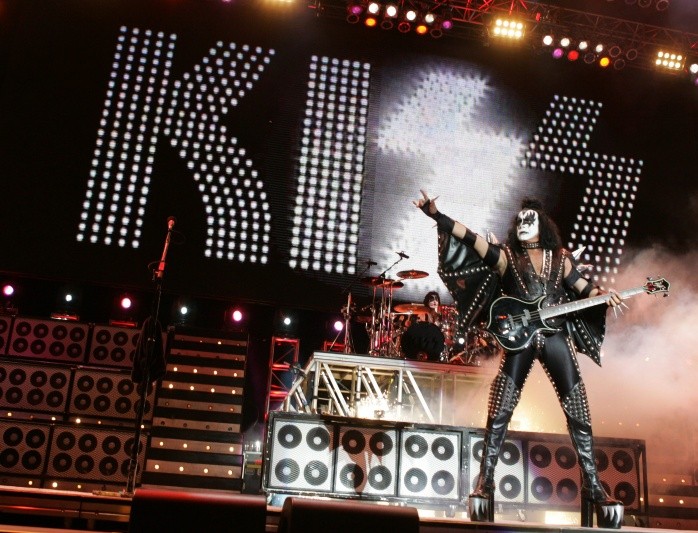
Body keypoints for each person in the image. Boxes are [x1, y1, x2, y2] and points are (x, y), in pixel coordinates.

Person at [415, 191, 625, 529]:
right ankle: (485, 481)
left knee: (578, 407)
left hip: (555, 336)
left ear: (543, 225)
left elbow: (583, 288)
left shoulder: (561, 258)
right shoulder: (506, 257)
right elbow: (471, 239)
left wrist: (604, 295)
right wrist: (437, 216)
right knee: (501, 405)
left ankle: (593, 485)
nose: (523, 223)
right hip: (521, 337)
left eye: (530, 219)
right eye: (520, 220)